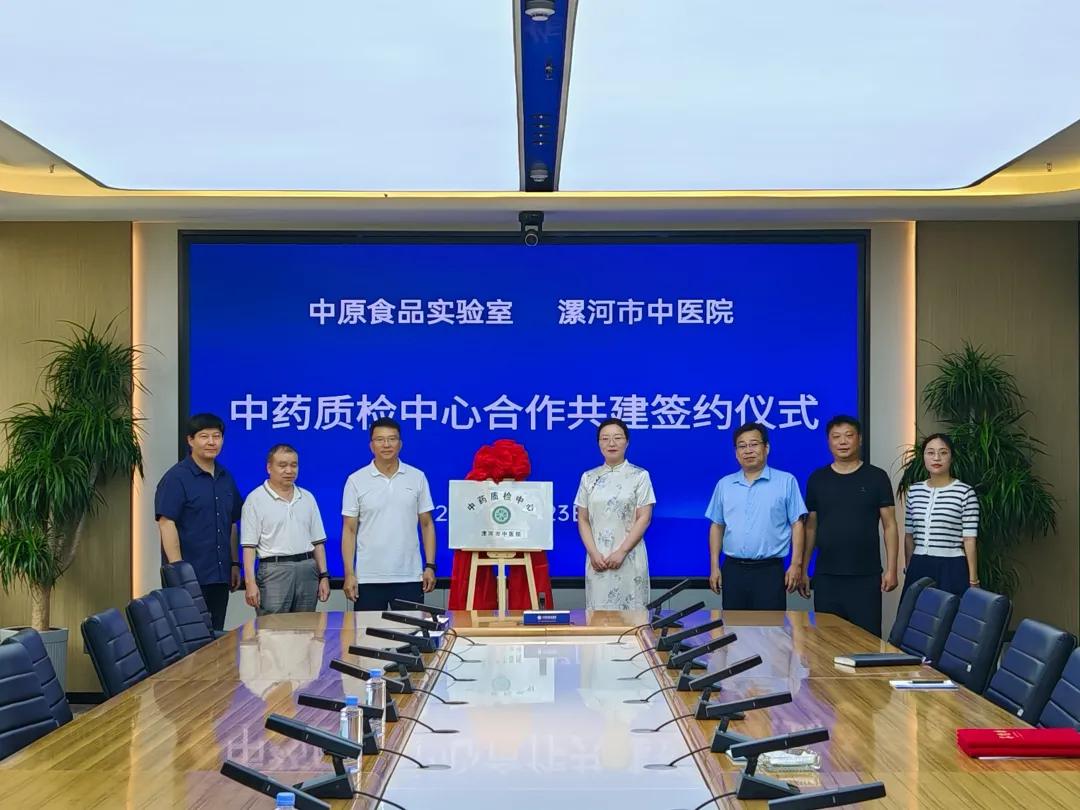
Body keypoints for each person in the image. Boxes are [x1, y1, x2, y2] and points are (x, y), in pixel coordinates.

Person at [800, 415, 899, 637]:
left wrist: (892, 569)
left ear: (859, 439)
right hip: (827, 576)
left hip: (865, 575)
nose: (843, 442)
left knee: (867, 641)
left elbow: (890, 525)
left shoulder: (877, 477)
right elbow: (811, 528)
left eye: (848, 436)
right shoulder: (817, 479)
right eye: (836, 437)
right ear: (828, 441)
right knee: (827, 641)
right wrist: (804, 569)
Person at [155, 413, 242, 631]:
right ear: (190, 440)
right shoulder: (176, 478)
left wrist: (234, 563)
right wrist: (178, 571)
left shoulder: (226, 477)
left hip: (219, 576)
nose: (211, 442)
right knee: (190, 638)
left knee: (215, 636)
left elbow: (232, 523)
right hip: (188, 578)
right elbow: (166, 523)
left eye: (217, 436)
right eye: (204, 436)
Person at [706, 422, 807, 611]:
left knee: (771, 626)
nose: (748, 450)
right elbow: (717, 526)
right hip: (733, 570)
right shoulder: (724, 484)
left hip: (769, 571)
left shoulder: (786, 481)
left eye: (754, 444)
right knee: (734, 625)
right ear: (736, 453)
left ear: (766, 448)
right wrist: (714, 566)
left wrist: (796, 564)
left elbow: (797, 524)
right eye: (742, 446)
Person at [341, 417, 437, 610]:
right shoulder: (356, 480)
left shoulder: (417, 477)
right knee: (368, 630)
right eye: (380, 439)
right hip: (368, 578)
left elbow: (427, 524)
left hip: (409, 576)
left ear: (400, 444)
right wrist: (349, 573)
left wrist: (430, 566)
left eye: (392, 439)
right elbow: (349, 530)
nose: (386, 445)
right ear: (371, 445)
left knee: (411, 629)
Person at [575, 417, 655, 610]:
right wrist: (593, 553)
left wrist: (622, 552)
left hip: (629, 556)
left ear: (627, 442)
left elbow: (644, 518)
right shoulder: (588, 477)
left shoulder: (640, 476)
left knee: (633, 617)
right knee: (598, 616)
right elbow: (583, 519)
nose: (611, 443)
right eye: (605, 438)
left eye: (617, 438)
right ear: (598, 443)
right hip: (598, 559)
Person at [240, 444, 330, 615]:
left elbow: (318, 542)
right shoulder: (255, 499)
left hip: (307, 569)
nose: (289, 470)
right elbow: (249, 547)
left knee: (306, 626)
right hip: (274, 571)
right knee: (272, 627)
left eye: (294, 465)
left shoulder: (307, 498)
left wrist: (324, 576)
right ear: (269, 468)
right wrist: (250, 583)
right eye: (282, 465)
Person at [902, 433, 979, 597]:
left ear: (951, 457)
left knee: (950, 612)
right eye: (930, 452)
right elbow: (909, 535)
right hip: (918, 565)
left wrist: (973, 579)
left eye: (943, 452)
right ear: (923, 457)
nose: (936, 458)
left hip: (951, 566)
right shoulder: (914, 491)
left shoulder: (965, 492)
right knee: (915, 611)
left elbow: (969, 539)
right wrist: (909, 567)